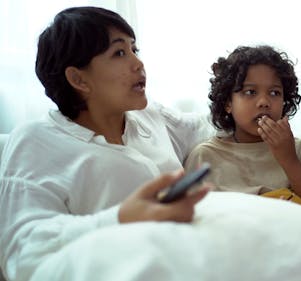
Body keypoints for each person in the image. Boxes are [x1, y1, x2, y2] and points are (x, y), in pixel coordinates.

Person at [0, 6, 215, 281]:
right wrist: (120, 219)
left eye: (135, 49)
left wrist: (248, 101)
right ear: (78, 79)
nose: (138, 63)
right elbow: (22, 250)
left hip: (194, 259)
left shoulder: (148, 116)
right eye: (120, 53)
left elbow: (204, 126)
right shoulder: (35, 141)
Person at [184, 45, 301, 219]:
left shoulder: (299, 150)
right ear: (228, 103)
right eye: (250, 92)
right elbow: (188, 215)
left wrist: (289, 160)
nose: (264, 102)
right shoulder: (205, 156)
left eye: (275, 93)